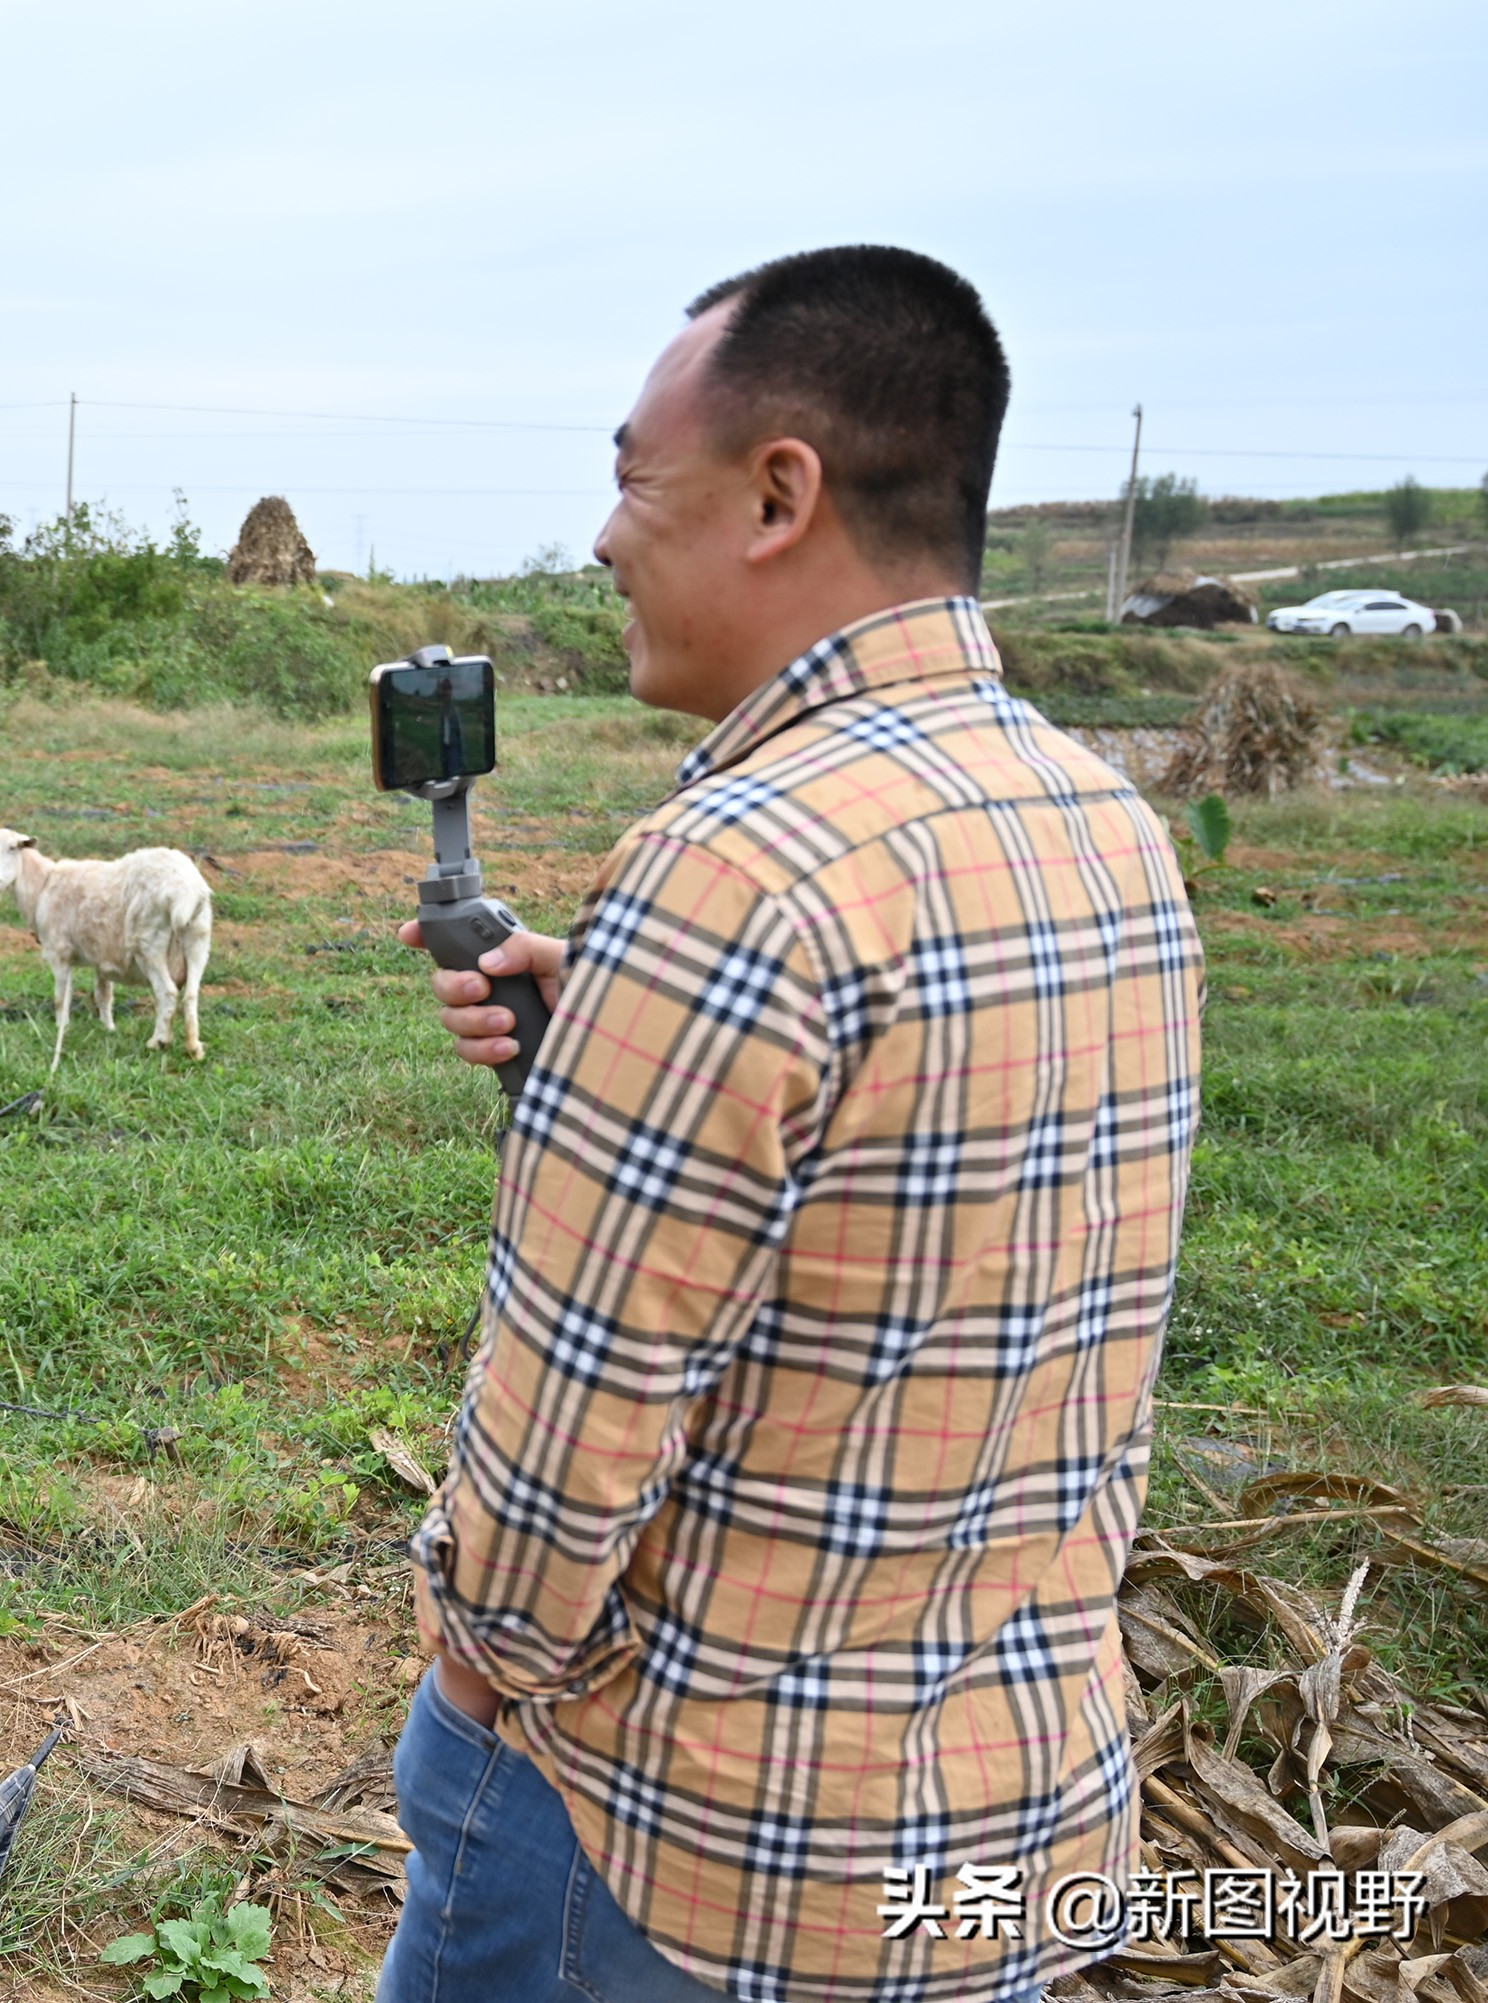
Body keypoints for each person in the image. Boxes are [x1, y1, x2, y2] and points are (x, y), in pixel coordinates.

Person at [389, 248, 1202, 2003]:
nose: (605, 540)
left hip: (699, 1859)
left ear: (778, 495)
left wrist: (472, 1680)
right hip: (1008, 1826)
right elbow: (929, 1214)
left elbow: (570, 1429)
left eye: (633, 481)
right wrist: (616, 1030)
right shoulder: (1102, 822)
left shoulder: (736, 875)